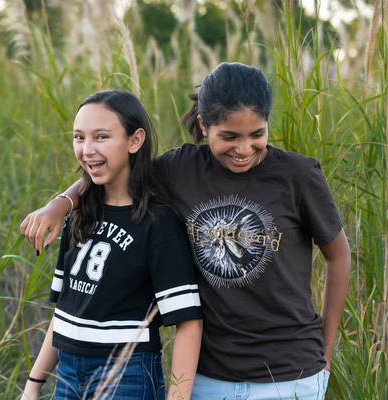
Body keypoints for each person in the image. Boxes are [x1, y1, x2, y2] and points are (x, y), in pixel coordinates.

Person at [21, 63, 351, 400]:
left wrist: (324, 352)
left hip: (291, 375)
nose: (244, 148)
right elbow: (118, 168)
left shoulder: (298, 176)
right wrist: (60, 205)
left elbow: (338, 257)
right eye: (229, 136)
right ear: (204, 126)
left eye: (257, 134)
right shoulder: (179, 168)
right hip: (209, 376)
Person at [21, 90, 203, 400]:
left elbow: (188, 321)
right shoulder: (79, 213)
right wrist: (33, 385)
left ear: (135, 140)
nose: (87, 149)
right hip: (67, 375)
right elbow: (67, 313)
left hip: (126, 374)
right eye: (79, 137)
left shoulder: (157, 223)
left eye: (101, 137)